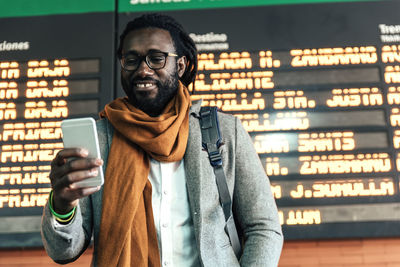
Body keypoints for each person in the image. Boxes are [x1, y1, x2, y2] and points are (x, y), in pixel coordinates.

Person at [41, 13, 283, 267]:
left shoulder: (223, 130)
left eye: (156, 58)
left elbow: (263, 228)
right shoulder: (100, 139)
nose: (143, 69)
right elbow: (63, 251)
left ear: (180, 66)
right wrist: (62, 203)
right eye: (131, 60)